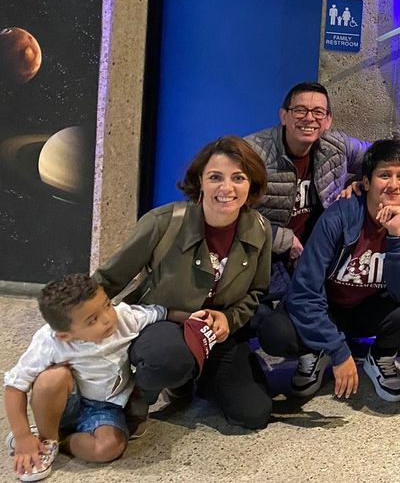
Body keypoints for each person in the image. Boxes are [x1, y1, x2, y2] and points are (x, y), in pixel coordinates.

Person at [93, 136, 272, 431]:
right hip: (164, 324)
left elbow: (256, 291)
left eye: (238, 178)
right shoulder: (163, 221)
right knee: (167, 358)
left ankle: (196, 377)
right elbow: (109, 279)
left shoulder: (261, 229)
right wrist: (72, 328)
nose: (226, 188)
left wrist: (229, 318)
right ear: (199, 181)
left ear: (251, 184)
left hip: (216, 333)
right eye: (215, 177)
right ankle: (141, 395)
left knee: (253, 414)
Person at [258, 138, 400, 402]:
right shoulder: (339, 216)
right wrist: (338, 352)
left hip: (371, 309)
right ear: (366, 181)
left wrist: (396, 236)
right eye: (384, 175)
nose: (393, 185)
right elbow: (304, 290)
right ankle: (315, 352)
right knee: (275, 331)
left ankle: (380, 358)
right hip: (329, 307)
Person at [4, 275, 168, 480]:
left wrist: (205, 316)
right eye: (93, 320)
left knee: (109, 448)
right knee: (52, 378)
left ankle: (59, 441)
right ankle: (46, 439)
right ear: (65, 335)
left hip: (104, 406)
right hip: (65, 400)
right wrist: (22, 436)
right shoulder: (49, 341)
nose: (108, 318)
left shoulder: (124, 318)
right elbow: (14, 386)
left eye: (108, 305)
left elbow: (163, 312)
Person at [246, 82, 368, 349]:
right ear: (284, 115)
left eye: (318, 112)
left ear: (328, 121)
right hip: (262, 255)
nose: (309, 118)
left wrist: (361, 184)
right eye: (300, 110)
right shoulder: (253, 153)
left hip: (315, 258)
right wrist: (280, 237)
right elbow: (227, 212)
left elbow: (384, 160)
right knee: (272, 329)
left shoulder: (338, 147)